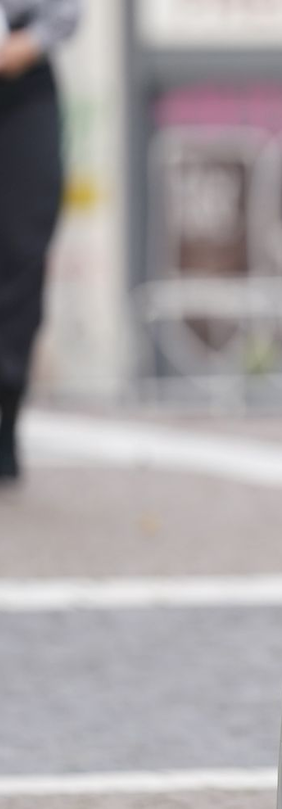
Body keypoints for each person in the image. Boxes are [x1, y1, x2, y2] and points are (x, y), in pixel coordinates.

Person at [0, 0, 81, 480]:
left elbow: (65, 11)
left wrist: (17, 49)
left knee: (22, 249)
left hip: (23, 76)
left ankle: (7, 408)